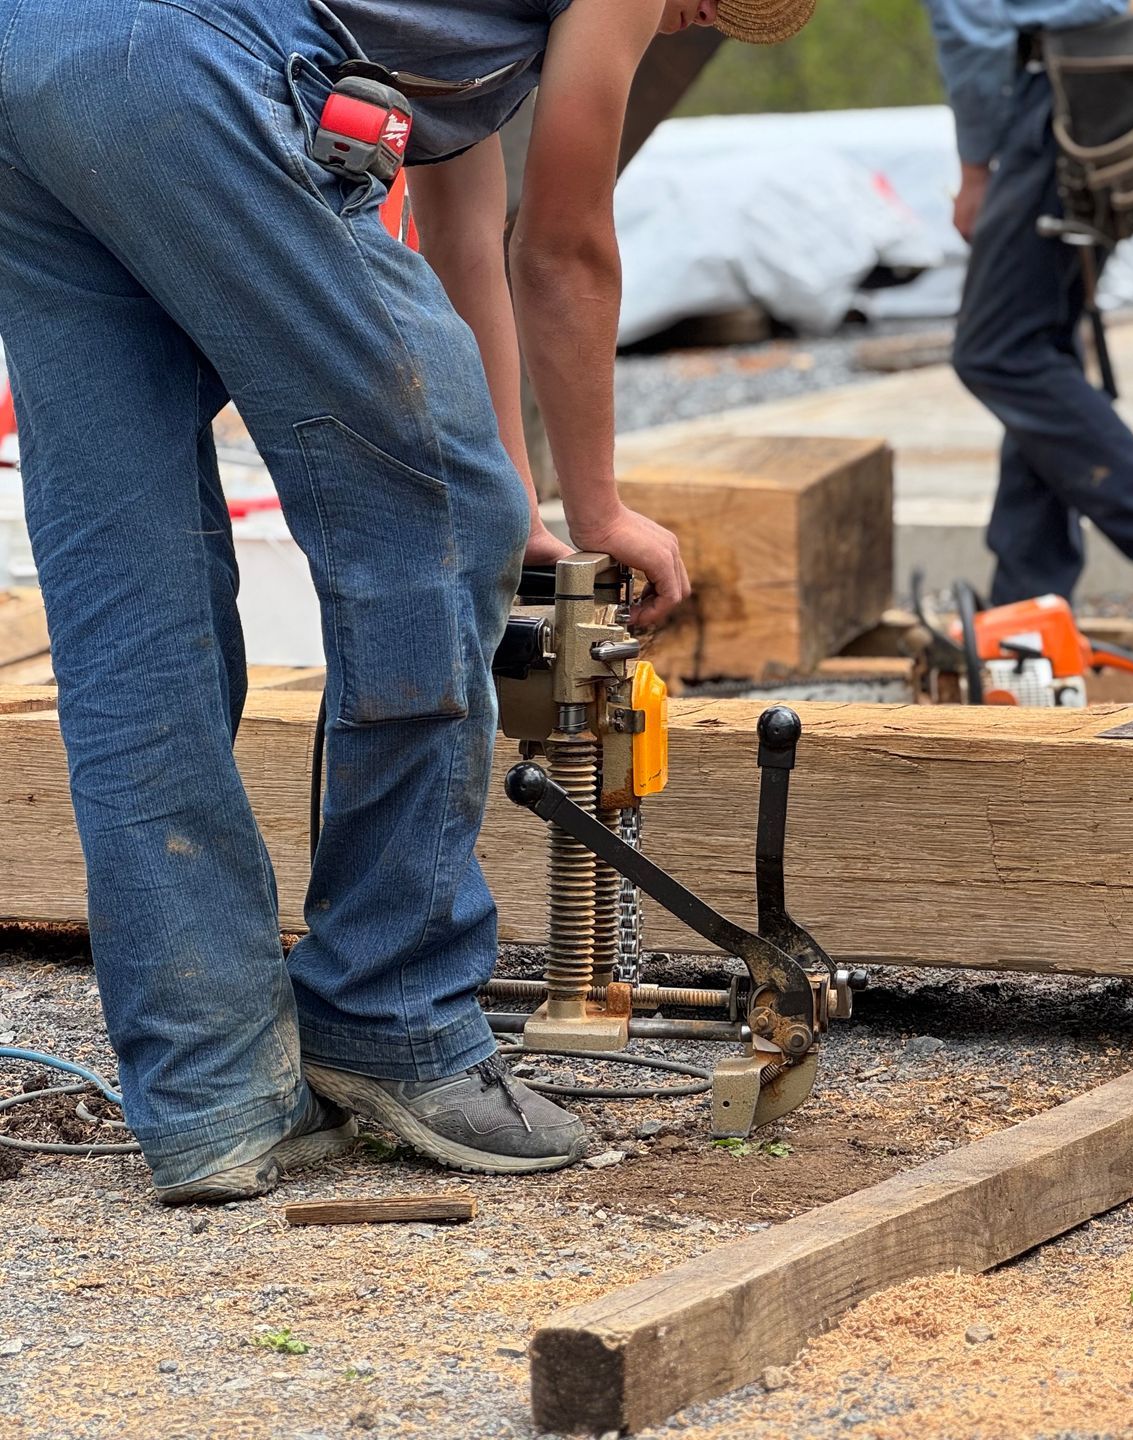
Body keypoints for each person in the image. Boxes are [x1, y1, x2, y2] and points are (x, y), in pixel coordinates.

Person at [0, 0, 809, 1203]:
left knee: (133, 594)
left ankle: (212, 1095)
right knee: (431, 515)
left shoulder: (447, 37)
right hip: (174, 59)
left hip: (34, 56)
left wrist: (511, 497)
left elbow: (463, 241)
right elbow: (565, 247)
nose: (682, 17)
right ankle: (396, 1011)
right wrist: (597, 508)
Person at [924, 0, 1133, 654]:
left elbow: (967, 25)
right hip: (1103, 79)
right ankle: (1026, 613)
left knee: (996, 352)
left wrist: (974, 168)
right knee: (1036, 344)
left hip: (1053, 93)